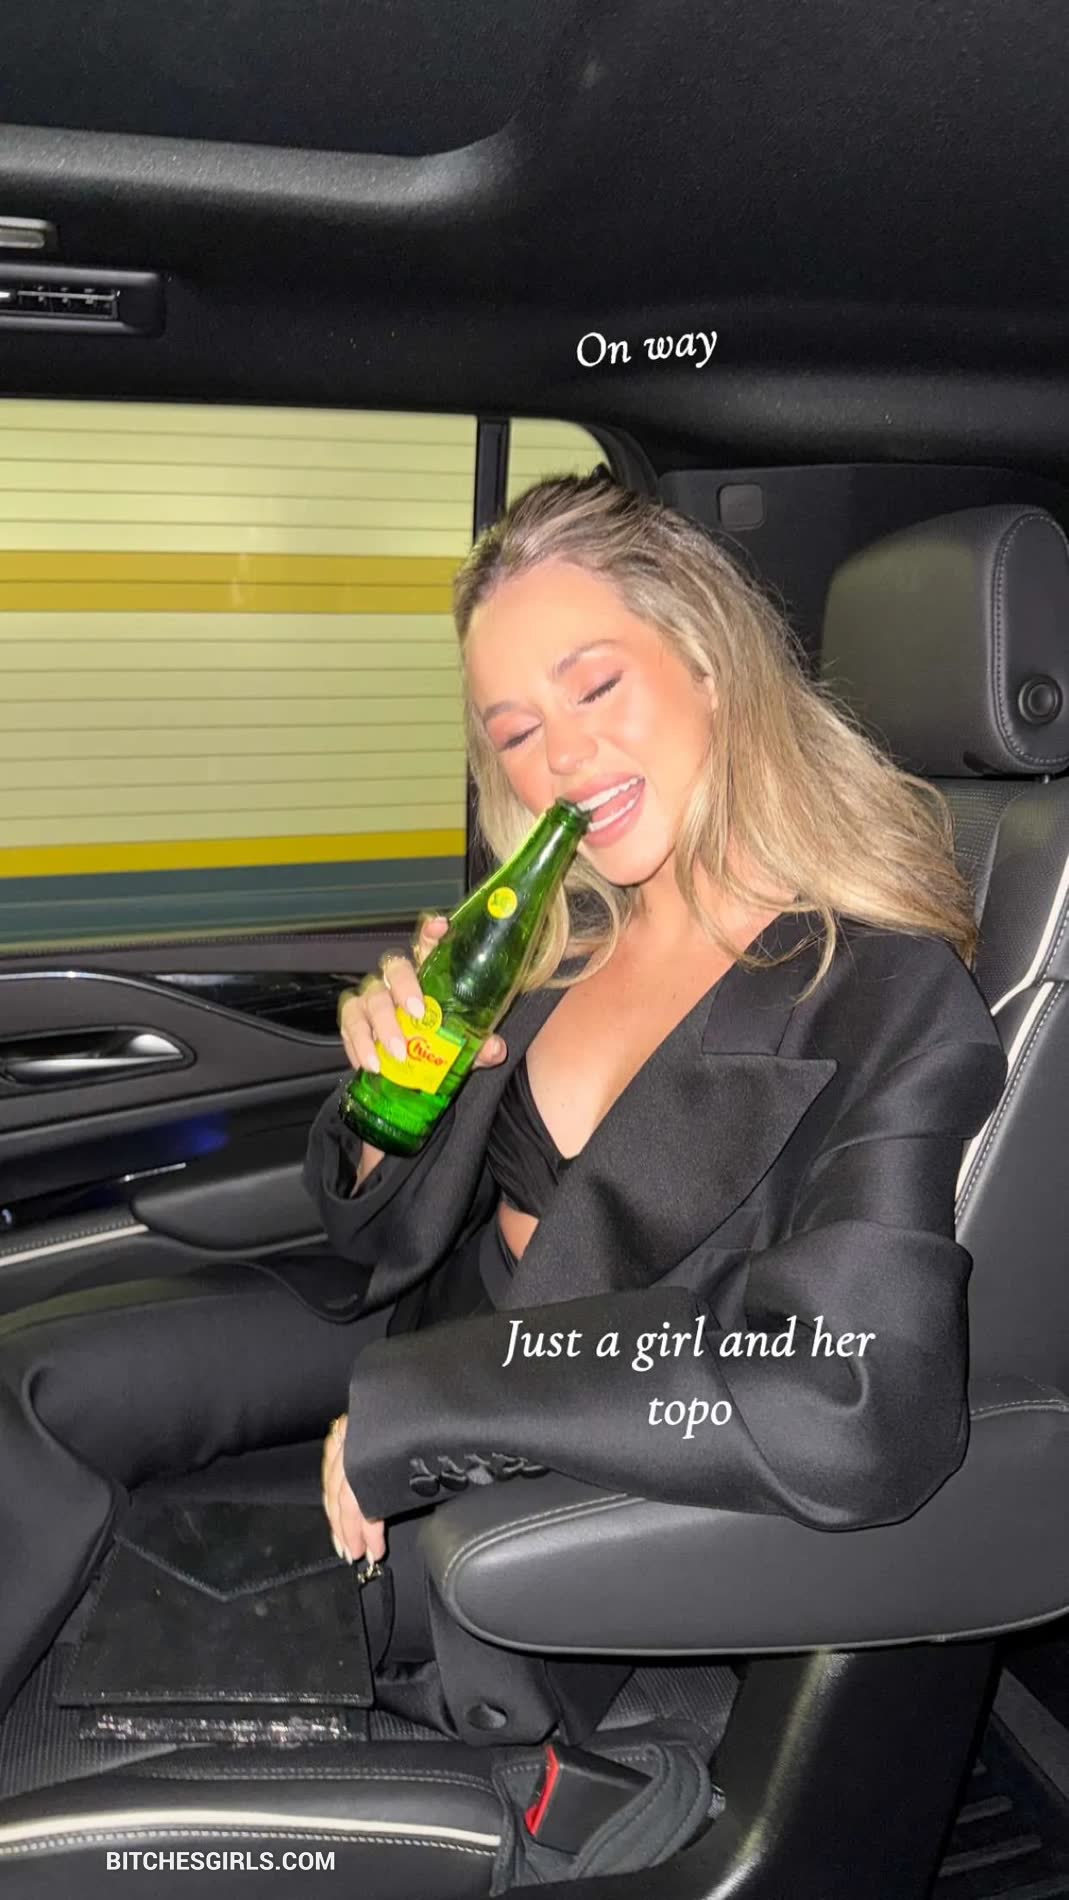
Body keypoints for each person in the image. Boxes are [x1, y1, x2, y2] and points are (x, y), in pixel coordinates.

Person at [0, 473, 1006, 1744]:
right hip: (417, 1330)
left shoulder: (878, 988)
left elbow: (853, 1399)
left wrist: (425, 1407)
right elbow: (378, 1235)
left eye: (595, 686)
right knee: (30, 1384)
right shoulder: (563, 942)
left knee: (119, 1598)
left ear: (710, 665)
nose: (562, 758)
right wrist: (388, 1115)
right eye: (516, 729)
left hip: (548, 1464)